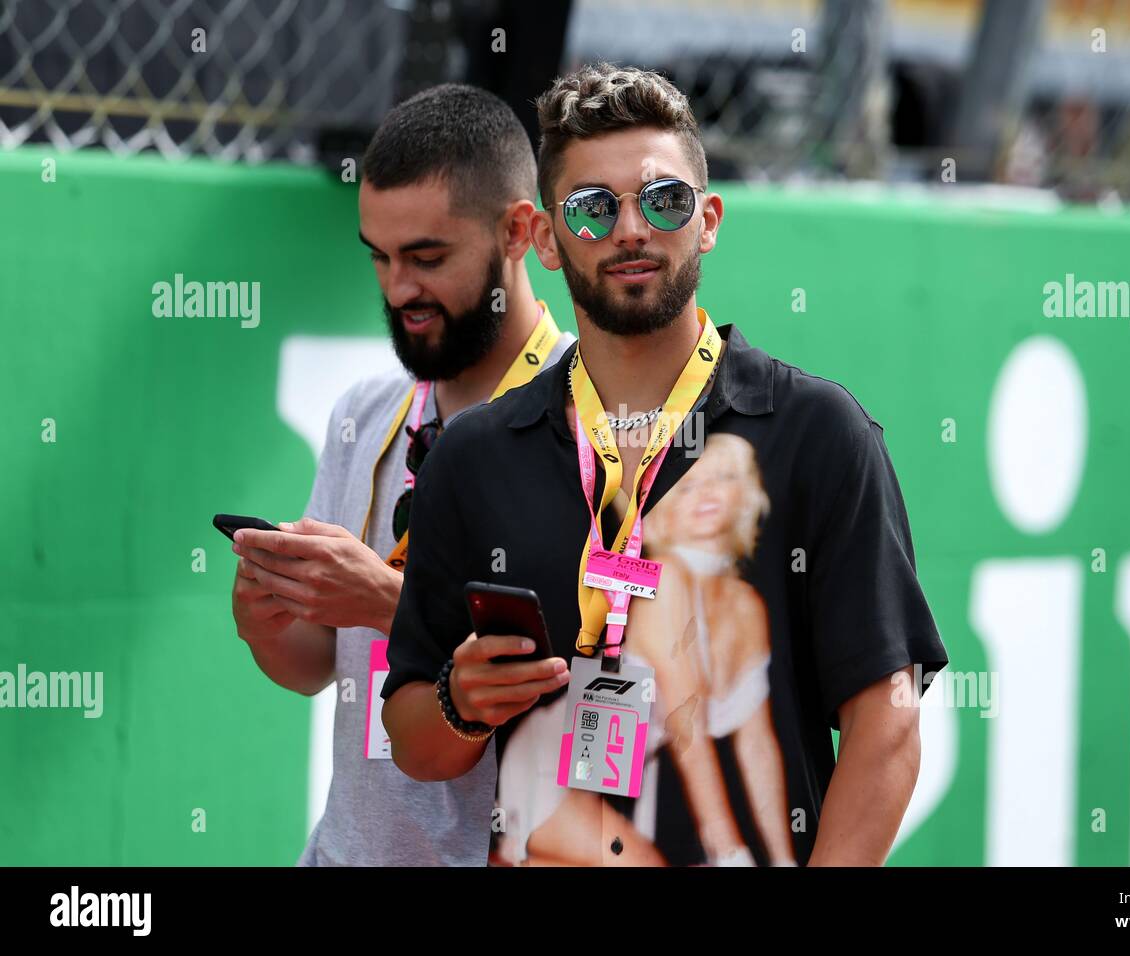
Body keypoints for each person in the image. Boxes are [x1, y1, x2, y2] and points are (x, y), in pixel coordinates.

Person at [382, 63, 948, 866]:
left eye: (664, 200)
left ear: (708, 219)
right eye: (591, 209)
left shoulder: (818, 434)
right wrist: (459, 702)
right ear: (545, 238)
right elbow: (412, 739)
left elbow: (886, 724)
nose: (632, 230)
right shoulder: (475, 455)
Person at [228, 84, 574, 866]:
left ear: (519, 230)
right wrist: (268, 620)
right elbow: (318, 663)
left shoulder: (589, 423)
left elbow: (581, 677)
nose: (398, 291)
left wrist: (390, 603)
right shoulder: (367, 412)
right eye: (380, 257)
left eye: (427, 258)